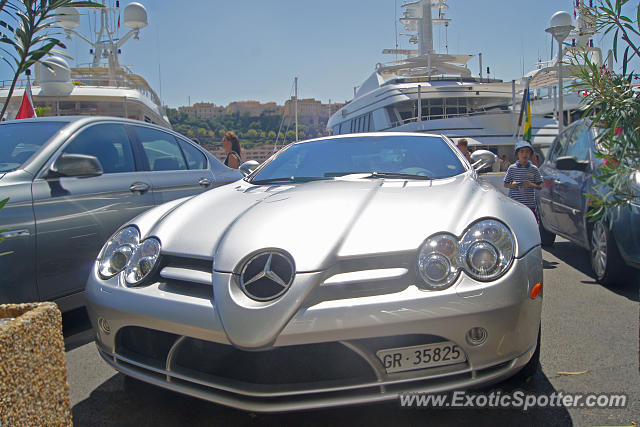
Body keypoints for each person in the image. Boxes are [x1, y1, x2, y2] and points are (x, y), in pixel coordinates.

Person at [504, 141, 543, 220]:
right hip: (515, 204)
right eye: (522, 152)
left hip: (530, 205)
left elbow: (540, 186)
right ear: (517, 154)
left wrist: (531, 184)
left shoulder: (534, 169)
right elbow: (505, 184)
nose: (524, 154)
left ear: (530, 154)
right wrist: (512, 185)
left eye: (527, 152)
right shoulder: (512, 168)